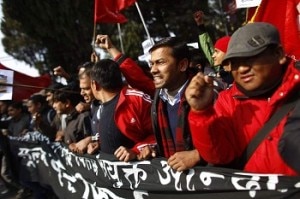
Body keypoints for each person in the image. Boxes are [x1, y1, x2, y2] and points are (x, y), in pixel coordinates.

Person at [185, 22, 300, 175]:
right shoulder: (227, 101)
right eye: (234, 63)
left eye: (251, 58)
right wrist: (201, 112)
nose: (242, 69)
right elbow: (219, 155)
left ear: (278, 54)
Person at [95, 35, 205, 171]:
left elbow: (231, 140)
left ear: (182, 65)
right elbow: (137, 76)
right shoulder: (158, 97)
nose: (153, 70)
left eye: (161, 62)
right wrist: (143, 150)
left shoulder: (207, 94)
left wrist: (197, 155)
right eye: (152, 63)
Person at [89, 59, 155, 162]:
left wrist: (135, 151)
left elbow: (161, 133)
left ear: (94, 84)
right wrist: (97, 142)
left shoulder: (135, 99)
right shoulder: (99, 108)